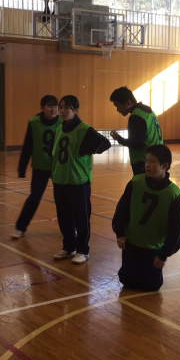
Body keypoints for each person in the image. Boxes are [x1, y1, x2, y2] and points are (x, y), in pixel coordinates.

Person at [113, 144, 180, 291]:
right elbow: (122, 209)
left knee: (151, 286)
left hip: (153, 249)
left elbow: (177, 230)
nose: (147, 165)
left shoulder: (172, 194)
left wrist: (164, 255)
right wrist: (120, 232)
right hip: (131, 244)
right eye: (146, 161)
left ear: (164, 165)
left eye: (152, 161)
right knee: (127, 280)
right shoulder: (136, 182)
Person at [51, 95, 111, 264]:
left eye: (66, 107)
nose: (62, 111)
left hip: (78, 181)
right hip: (60, 180)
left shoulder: (84, 129)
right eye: (60, 107)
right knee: (63, 217)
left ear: (76, 110)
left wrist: (85, 149)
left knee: (81, 218)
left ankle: (82, 250)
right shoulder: (59, 129)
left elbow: (105, 143)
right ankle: (68, 247)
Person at [12, 95, 62, 239]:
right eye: (49, 106)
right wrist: (22, 168)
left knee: (63, 199)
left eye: (55, 106)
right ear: (42, 108)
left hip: (58, 167)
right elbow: (27, 146)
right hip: (40, 167)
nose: (53, 109)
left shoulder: (62, 122)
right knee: (34, 198)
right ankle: (20, 227)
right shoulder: (34, 122)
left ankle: (70, 228)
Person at [109, 87, 163, 175]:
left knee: (141, 183)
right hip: (157, 157)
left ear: (128, 103)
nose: (117, 110)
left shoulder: (136, 116)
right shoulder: (147, 111)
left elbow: (137, 144)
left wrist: (118, 138)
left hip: (145, 161)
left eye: (118, 106)